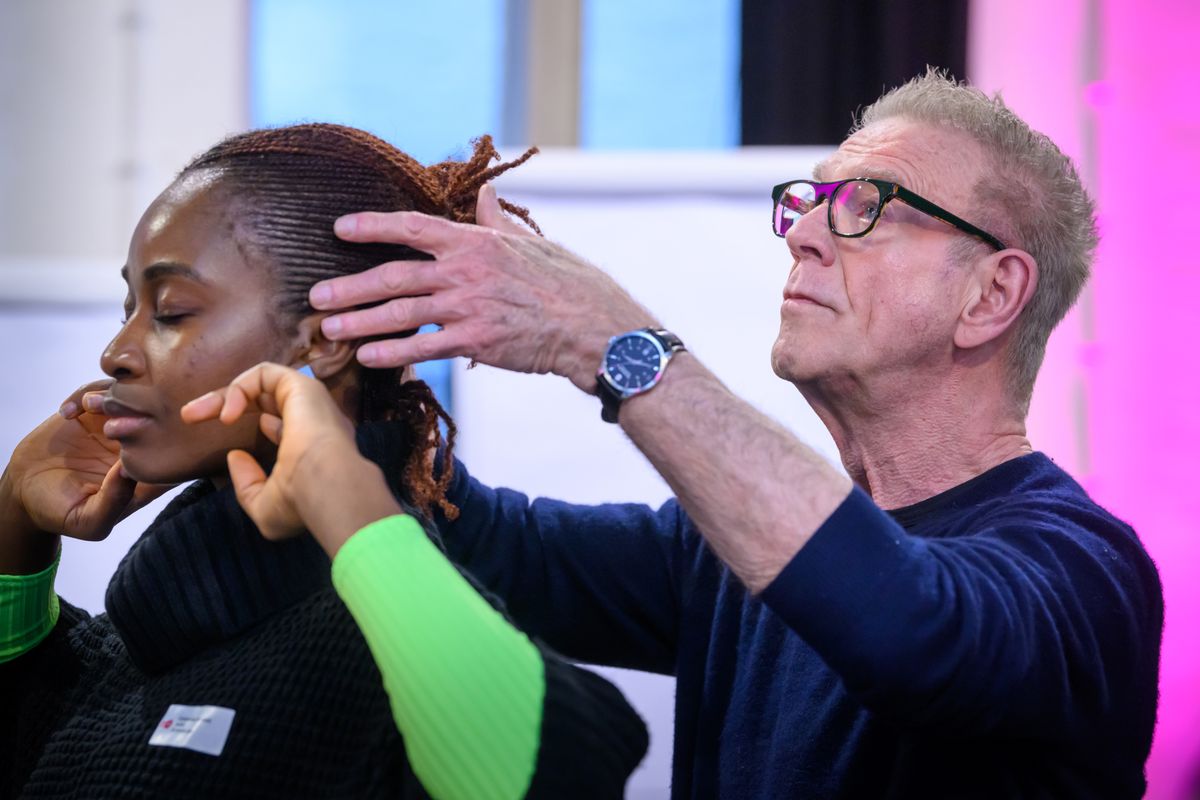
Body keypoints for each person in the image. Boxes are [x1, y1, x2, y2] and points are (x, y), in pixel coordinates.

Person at [306, 71, 1164, 798]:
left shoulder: (1083, 571)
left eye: (866, 206)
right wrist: (359, 382)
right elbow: (500, 551)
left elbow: (907, 630)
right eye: (811, 201)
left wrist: (606, 338)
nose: (806, 235)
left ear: (989, 295)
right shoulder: (720, 556)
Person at [0, 124, 647, 799]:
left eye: (169, 311)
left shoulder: (380, 655)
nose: (116, 353)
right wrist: (15, 516)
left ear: (323, 344)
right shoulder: (142, 649)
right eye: (129, 307)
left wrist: (350, 504)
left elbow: (564, 766)